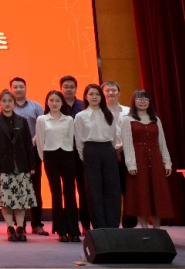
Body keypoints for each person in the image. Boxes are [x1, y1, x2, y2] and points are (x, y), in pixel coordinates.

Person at [0, 89, 37, 242]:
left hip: (21, 165)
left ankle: (21, 228)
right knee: (7, 200)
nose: (7, 104)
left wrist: (32, 165)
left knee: (21, 200)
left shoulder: (22, 121)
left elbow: (28, 144)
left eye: (10, 101)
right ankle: (10, 228)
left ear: (14, 103)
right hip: (4, 166)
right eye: (4, 101)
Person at [122, 90, 174, 229]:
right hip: (139, 160)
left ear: (149, 102)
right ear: (134, 101)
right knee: (142, 192)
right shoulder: (127, 120)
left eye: (145, 99)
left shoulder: (156, 120)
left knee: (158, 192)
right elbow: (127, 144)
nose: (142, 101)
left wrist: (167, 162)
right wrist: (131, 164)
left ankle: (157, 229)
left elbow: (162, 142)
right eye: (139, 99)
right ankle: (145, 228)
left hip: (155, 159)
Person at [74, 84, 122, 230]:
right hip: (91, 151)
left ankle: (112, 226)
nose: (94, 97)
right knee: (94, 191)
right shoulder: (81, 116)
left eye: (97, 94)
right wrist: (85, 157)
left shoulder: (109, 114)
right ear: (86, 97)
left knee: (112, 189)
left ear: (101, 97)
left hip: (108, 150)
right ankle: (99, 226)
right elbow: (78, 141)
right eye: (91, 94)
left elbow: (114, 136)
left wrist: (111, 151)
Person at [35, 90, 80, 242]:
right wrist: (44, 159)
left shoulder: (69, 119)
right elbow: (40, 142)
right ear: (47, 102)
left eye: (57, 101)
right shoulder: (42, 119)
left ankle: (73, 230)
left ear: (62, 103)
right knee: (56, 193)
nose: (54, 103)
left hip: (67, 155)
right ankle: (61, 230)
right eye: (51, 100)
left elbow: (72, 139)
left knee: (70, 193)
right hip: (50, 157)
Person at [10, 77, 48, 236]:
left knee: (35, 187)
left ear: (25, 88)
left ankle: (37, 224)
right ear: (11, 89)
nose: (18, 89)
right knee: (17, 188)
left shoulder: (36, 106)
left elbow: (44, 125)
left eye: (21, 86)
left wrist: (35, 139)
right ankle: (20, 225)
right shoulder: (8, 106)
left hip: (33, 151)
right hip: (15, 153)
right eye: (15, 87)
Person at [103, 80, 138, 229]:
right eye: (108, 90)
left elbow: (133, 132)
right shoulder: (99, 112)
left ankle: (129, 223)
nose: (111, 93)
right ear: (103, 93)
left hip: (126, 153)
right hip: (106, 153)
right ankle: (112, 223)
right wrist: (112, 149)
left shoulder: (128, 111)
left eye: (114, 90)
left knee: (128, 189)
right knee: (110, 191)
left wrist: (121, 147)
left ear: (119, 93)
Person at [60, 75, 89, 233]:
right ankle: (70, 226)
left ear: (76, 89)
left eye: (72, 86)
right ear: (61, 88)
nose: (69, 89)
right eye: (66, 86)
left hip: (81, 152)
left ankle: (85, 224)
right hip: (64, 152)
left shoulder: (83, 105)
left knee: (84, 189)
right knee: (68, 190)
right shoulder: (57, 105)